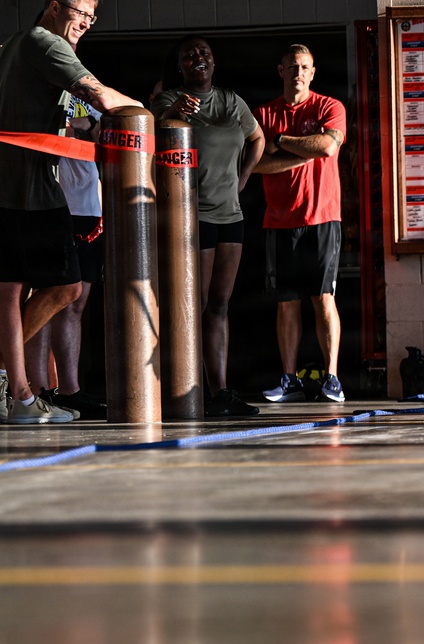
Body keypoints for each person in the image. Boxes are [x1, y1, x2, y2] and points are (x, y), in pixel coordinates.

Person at [0, 0, 142, 424]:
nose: (84, 22)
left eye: (90, 16)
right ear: (53, 7)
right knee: (67, 287)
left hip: (18, 186)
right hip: (30, 190)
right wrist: (148, 115)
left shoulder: (14, 45)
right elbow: (100, 96)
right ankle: (17, 387)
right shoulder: (46, 43)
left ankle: (22, 398)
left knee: (9, 292)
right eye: (78, 11)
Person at [152, 35, 266, 417]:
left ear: (213, 62)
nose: (198, 58)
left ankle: (220, 392)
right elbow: (157, 133)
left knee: (219, 305)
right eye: (190, 56)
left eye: (204, 53)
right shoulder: (169, 100)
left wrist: (244, 175)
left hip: (230, 214)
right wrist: (179, 114)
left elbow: (258, 138)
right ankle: (188, 391)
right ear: (181, 66)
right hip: (192, 215)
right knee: (193, 305)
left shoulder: (232, 100)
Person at [252, 44, 348, 404]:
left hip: (322, 216)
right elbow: (252, 164)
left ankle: (332, 378)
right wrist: (301, 152)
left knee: (323, 298)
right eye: (292, 66)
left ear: (313, 72)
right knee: (286, 302)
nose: (298, 72)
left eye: (304, 67)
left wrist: (281, 142)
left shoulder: (328, 107)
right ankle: (289, 378)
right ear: (280, 70)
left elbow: (326, 147)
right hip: (279, 221)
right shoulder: (263, 113)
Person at [24, 95, 108, 420]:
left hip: (88, 205)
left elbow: (108, 132)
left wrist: (86, 126)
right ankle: (38, 390)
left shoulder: (86, 89)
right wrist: (75, 127)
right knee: (47, 295)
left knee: (76, 302)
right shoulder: (35, 84)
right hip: (49, 202)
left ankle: (70, 391)